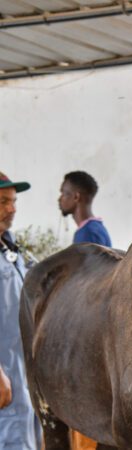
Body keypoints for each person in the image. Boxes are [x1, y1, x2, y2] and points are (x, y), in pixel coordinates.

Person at [0, 171, 41, 449]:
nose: (12, 209)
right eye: (3, 201)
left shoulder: (11, 248)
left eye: (13, 201)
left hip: (23, 371)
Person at [58, 171, 111, 246]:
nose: (59, 199)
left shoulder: (87, 233)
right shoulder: (94, 228)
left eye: (63, 193)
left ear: (76, 197)